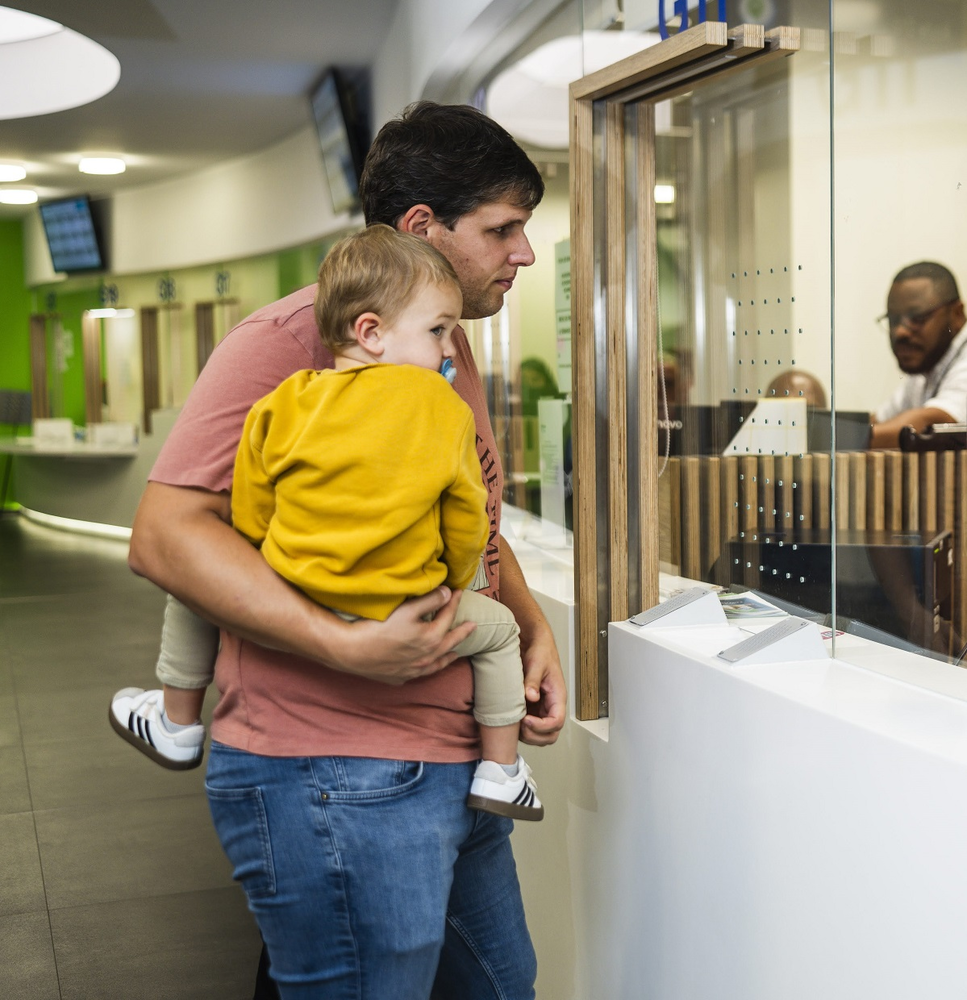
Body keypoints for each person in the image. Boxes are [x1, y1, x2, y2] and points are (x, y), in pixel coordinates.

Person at [122, 101, 565, 998]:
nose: (522, 252)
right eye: (503, 229)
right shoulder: (291, 343)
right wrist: (340, 641)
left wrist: (527, 624)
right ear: (421, 229)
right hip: (334, 770)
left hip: (446, 758)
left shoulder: (443, 350)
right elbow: (168, 536)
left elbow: (464, 514)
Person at [870, 261, 967, 448]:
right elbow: (879, 422)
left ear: (957, 314)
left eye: (917, 318)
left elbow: (931, 425)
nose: (900, 332)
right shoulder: (926, 368)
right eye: (893, 320)